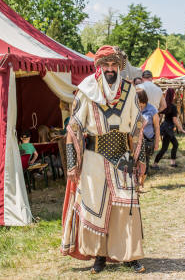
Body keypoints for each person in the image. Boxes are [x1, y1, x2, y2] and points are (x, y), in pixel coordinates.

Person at [61, 45, 147, 274]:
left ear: (119, 67)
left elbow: (138, 127)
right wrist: (72, 165)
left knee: (127, 205)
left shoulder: (129, 90)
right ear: (98, 67)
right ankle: (98, 257)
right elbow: (74, 129)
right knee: (94, 206)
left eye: (114, 65)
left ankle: (130, 255)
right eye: (106, 65)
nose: (110, 69)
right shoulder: (86, 91)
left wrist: (141, 160)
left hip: (123, 157)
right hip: (93, 158)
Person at [152, 88, 185, 169]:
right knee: (165, 147)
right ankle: (155, 164)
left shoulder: (164, 105)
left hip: (165, 128)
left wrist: (158, 127)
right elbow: (174, 120)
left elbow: (160, 116)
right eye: (174, 94)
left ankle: (172, 163)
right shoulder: (172, 107)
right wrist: (181, 129)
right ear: (172, 95)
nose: (175, 95)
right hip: (168, 129)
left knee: (174, 145)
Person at [136, 88, 160, 175]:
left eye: (138, 100)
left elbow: (157, 127)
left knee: (145, 162)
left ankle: (142, 182)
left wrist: (157, 142)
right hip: (135, 141)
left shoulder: (152, 109)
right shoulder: (134, 108)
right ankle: (137, 182)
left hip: (147, 141)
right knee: (135, 162)